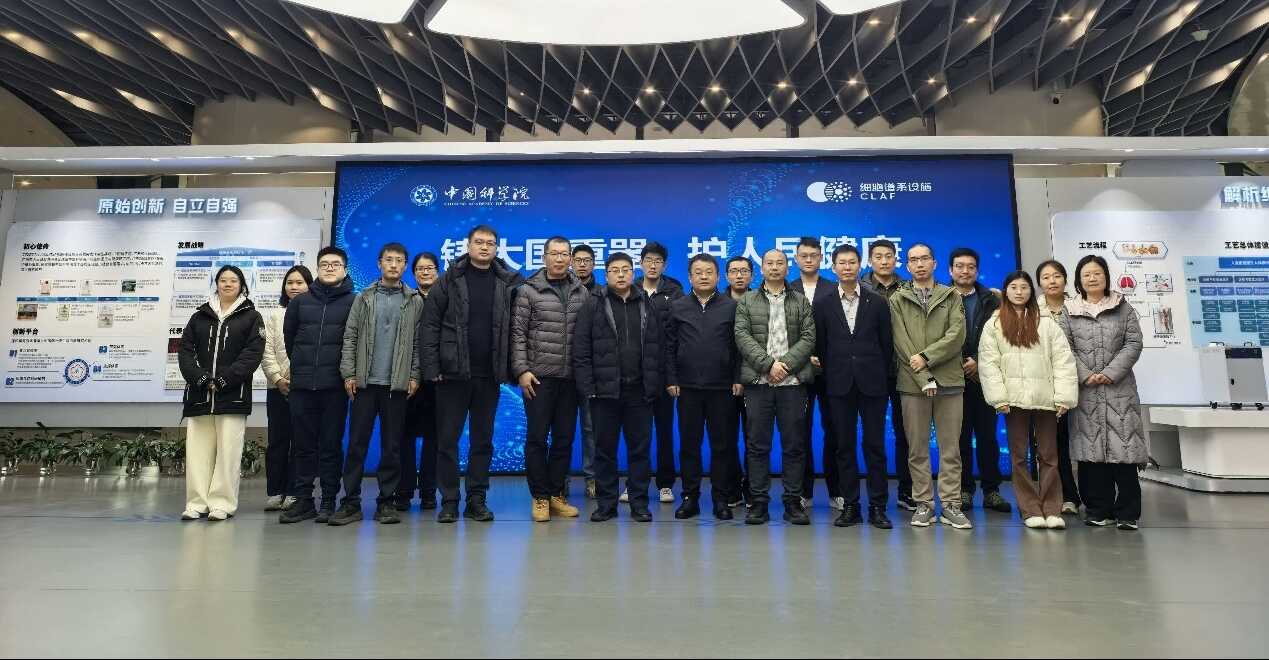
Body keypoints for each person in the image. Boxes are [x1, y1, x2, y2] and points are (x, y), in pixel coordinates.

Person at [419, 225, 525, 523]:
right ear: (468, 246)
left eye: (490, 243)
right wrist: (432, 368)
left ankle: (477, 499)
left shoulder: (508, 282)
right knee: (447, 440)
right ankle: (450, 500)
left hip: (489, 376)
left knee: (483, 441)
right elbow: (430, 325)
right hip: (451, 375)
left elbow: (518, 327)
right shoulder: (449, 279)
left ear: (497, 248)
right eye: (479, 242)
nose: (484, 247)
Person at [977, 271, 1079, 530]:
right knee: (1019, 457)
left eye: (1024, 287)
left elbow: (1063, 361)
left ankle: (1052, 509)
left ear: (1031, 292)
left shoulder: (1046, 323)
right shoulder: (994, 324)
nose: (1019, 292)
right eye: (1013, 287)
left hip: (1046, 399)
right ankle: (1030, 509)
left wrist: (1064, 396)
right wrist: (998, 397)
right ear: (1006, 291)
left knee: (1049, 455)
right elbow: (988, 363)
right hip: (1013, 402)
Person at [333, 242, 424, 526]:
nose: (393, 265)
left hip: (396, 386)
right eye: (389, 260)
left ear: (405, 266)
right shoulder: (364, 298)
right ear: (379, 264)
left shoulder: (415, 301)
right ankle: (350, 502)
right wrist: (349, 374)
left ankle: (386, 502)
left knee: (392, 447)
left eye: (399, 260)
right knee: (356, 445)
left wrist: (414, 375)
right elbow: (350, 337)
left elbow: (418, 344)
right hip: (364, 384)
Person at [574, 252, 663, 522]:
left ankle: (639, 504)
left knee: (640, 450)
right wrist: (588, 387)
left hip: (639, 391)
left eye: (626, 269)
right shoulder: (593, 304)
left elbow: (657, 346)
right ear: (606, 274)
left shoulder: (646, 303)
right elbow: (581, 348)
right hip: (604, 392)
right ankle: (606, 504)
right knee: (604, 450)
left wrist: (654, 384)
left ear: (633, 273)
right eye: (615, 270)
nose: (621, 274)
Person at [889, 243, 972, 530]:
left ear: (934, 263)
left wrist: (926, 357)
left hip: (949, 380)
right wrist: (924, 378)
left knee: (951, 449)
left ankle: (951, 505)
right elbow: (901, 343)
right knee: (917, 449)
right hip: (913, 384)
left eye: (925, 258)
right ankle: (923, 503)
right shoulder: (897, 299)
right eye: (914, 260)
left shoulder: (951, 295)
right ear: (907, 266)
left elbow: (957, 335)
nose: (920, 264)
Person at [1061, 255, 1145, 531]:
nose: (1092, 278)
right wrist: (1086, 374)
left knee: (1124, 447)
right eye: (1086, 274)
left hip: (1119, 388)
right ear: (1079, 280)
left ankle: (1128, 512)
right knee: (1090, 450)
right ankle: (1098, 509)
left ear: (1106, 276)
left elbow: (1133, 343)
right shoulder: (1069, 309)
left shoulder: (1123, 307)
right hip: (1086, 390)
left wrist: (1110, 372)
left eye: (1097, 273)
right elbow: (1064, 347)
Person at [815, 245, 894, 529]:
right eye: (842, 263)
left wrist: (881, 377)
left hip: (873, 384)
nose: (847, 267)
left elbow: (887, 345)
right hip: (839, 385)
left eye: (852, 262)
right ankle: (850, 506)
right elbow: (821, 345)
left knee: (875, 446)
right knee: (844, 446)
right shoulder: (823, 303)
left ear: (860, 266)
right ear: (833, 267)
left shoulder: (877, 302)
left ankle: (878, 507)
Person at [178, 265, 265, 521]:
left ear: (242, 285)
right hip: (200, 395)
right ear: (216, 284)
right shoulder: (199, 316)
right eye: (223, 280)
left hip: (233, 395)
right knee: (197, 453)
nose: (227, 284)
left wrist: (225, 380)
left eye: (233, 280)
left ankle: (222, 504)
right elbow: (185, 352)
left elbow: (252, 354)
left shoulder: (252, 317)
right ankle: (196, 503)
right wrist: (202, 379)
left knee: (229, 453)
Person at [734, 249, 813, 525]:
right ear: (762, 268)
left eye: (780, 263)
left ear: (787, 268)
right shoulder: (747, 300)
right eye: (769, 263)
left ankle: (793, 502)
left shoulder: (800, 300)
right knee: (757, 445)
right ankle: (758, 502)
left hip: (792, 384)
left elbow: (809, 337)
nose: (775, 267)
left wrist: (785, 366)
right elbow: (741, 336)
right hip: (759, 383)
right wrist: (769, 365)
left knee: (794, 445)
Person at [513, 236, 589, 522]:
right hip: (538, 377)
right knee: (536, 438)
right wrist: (522, 370)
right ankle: (540, 497)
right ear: (544, 257)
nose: (559, 259)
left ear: (570, 258)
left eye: (564, 254)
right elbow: (517, 333)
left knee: (564, 439)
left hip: (571, 379)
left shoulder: (581, 291)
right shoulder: (528, 290)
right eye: (554, 254)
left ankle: (556, 494)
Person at [279, 247, 356, 524]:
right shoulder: (300, 302)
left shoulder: (354, 302)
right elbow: (290, 339)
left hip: (335, 387)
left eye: (336, 264)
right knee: (303, 446)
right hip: (302, 386)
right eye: (324, 264)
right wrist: (302, 367)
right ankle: (303, 501)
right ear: (318, 268)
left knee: (330, 446)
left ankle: (328, 501)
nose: (330, 268)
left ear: (345, 269)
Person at [665, 254, 742, 520]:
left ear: (718, 276)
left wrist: (738, 378)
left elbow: (738, 348)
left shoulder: (731, 306)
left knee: (723, 445)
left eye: (709, 272)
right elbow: (669, 346)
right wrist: (671, 379)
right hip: (687, 388)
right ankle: (690, 498)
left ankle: (721, 499)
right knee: (690, 445)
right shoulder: (678, 306)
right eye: (698, 272)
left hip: (723, 388)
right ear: (690, 277)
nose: (704, 276)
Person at [948, 248, 1010, 514]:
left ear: (977, 270)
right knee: (959, 438)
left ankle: (991, 491)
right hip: (952, 379)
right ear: (950, 270)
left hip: (985, 380)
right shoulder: (941, 297)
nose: (965, 271)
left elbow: (1003, 338)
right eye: (959, 266)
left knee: (987, 437)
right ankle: (963, 490)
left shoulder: (992, 300)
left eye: (970, 266)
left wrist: (978, 361)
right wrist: (960, 363)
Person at [864, 239, 915, 511]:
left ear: (896, 259)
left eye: (889, 256)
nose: (884, 261)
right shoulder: (858, 288)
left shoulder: (909, 288)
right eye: (878, 256)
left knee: (905, 433)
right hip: (868, 372)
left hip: (903, 370)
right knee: (872, 435)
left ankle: (907, 491)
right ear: (869, 260)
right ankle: (876, 495)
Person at [788, 237, 840, 510]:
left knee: (835, 430)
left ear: (822, 258)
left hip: (831, 370)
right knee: (799, 431)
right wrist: (801, 357)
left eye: (813, 255)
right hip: (796, 371)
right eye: (803, 255)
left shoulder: (834, 288)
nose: (808, 260)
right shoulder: (787, 289)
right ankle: (803, 491)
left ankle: (837, 490)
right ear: (796, 258)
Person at [634, 241, 684, 505]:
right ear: (641, 263)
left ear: (664, 265)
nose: (652, 265)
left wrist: (673, 375)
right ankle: (635, 484)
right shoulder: (630, 288)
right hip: (636, 375)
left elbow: (676, 335)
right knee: (637, 434)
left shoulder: (674, 291)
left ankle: (666, 484)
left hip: (664, 374)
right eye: (648, 260)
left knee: (664, 432)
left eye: (658, 261)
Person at [261, 264, 311, 512]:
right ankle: (275, 491)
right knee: (277, 442)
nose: (294, 287)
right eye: (290, 283)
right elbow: (267, 351)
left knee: (301, 441)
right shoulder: (274, 315)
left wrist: (297, 377)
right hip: (277, 388)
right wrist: (278, 379)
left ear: (309, 285)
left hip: (305, 388)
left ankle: (294, 491)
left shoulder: (314, 312)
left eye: (300, 282)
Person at [395, 252, 442, 511]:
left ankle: (428, 491)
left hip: (438, 380)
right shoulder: (406, 300)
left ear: (438, 271)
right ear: (413, 274)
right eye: (420, 269)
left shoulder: (446, 299)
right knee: (404, 437)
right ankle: (403, 491)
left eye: (430, 268)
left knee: (435, 439)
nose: (425, 272)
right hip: (407, 379)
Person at [1037, 259, 1082, 515]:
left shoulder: (1079, 306)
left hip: (1082, 381)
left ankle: (1093, 495)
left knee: (1084, 440)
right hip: (1049, 386)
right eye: (1046, 277)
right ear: (1039, 283)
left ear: (1065, 279)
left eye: (1056, 276)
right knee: (1056, 442)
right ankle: (1067, 496)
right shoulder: (1033, 310)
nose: (1052, 281)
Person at [724, 255, 754, 507]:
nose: (739, 275)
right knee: (727, 436)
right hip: (723, 382)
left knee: (753, 437)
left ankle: (752, 488)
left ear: (752, 275)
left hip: (755, 379)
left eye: (744, 271)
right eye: (734, 271)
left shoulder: (760, 301)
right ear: (726, 276)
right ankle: (732, 487)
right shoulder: (719, 303)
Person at [571, 244, 600, 500]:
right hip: (561, 370)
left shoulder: (601, 294)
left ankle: (593, 478)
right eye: (578, 260)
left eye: (587, 260)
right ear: (571, 262)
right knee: (561, 429)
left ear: (593, 264)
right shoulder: (563, 289)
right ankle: (558, 482)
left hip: (591, 371)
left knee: (591, 428)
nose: (582, 264)